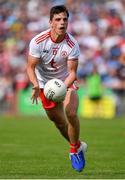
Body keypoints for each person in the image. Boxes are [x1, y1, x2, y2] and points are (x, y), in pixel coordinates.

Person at [27, 5, 87, 172]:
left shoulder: (72, 44)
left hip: (65, 82)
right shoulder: (38, 41)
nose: (62, 23)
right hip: (45, 85)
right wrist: (35, 85)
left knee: (71, 113)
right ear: (50, 22)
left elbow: (73, 73)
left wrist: (62, 87)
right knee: (60, 123)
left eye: (65, 19)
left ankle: (74, 151)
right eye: (58, 19)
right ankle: (78, 144)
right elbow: (30, 67)